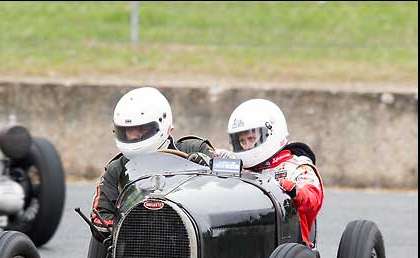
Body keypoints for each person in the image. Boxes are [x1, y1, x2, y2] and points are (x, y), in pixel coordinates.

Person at [91, 86, 217, 232]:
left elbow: (227, 186)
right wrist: (127, 229)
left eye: (141, 129)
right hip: (136, 242)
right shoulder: (116, 168)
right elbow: (100, 214)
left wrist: (206, 166)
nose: (133, 136)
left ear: (164, 126)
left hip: (192, 231)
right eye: (128, 130)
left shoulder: (196, 149)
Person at [227, 98, 324, 247]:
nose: (246, 146)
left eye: (251, 139)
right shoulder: (236, 167)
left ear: (271, 133)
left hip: (287, 247)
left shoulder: (295, 166)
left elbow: (313, 199)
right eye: (242, 141)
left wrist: (296, 192)